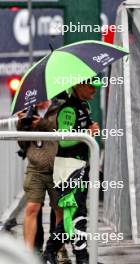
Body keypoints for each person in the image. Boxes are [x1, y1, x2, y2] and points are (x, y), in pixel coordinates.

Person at [43, 78, 102, 264]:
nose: (94, 89)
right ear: (78, 86)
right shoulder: (68, 109)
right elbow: (63, 140)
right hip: (68, 168)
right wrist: (87, 134)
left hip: (80, 165)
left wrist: (89, 131)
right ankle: (81, 258)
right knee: (77, 213)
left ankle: (51, 253)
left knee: (76, 213)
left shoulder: (85, 106)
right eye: (91, 86)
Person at [16, 100, 63, 250]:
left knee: (60, 209)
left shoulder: (62, 108)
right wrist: (22, 125)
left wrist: (43, 124)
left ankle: (58, 250)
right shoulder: (28, 111)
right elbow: (23, 145)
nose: (38, 101)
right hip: (35, 168)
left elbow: (65, 133)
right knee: (32, 207)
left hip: (59, 167)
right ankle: (28, 254)